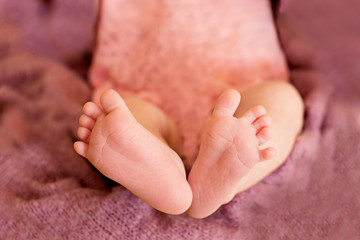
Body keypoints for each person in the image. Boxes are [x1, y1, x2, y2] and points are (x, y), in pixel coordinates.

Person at [73, 0, 304, 219]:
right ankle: (163, 174)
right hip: (143, 86)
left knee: (282, 102)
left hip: (243, 85)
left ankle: (228, 177)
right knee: (125, 118)